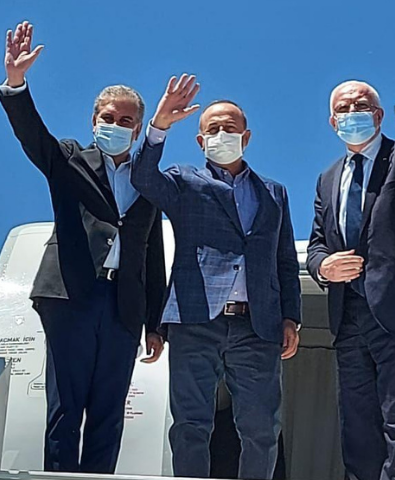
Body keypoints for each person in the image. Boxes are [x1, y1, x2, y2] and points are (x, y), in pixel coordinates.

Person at [0, 21, 166, 474]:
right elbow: (33, 136)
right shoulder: (70, 158)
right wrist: (16, 84)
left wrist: (155, 323)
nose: (115, 125)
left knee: (110, 413)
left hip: (123, 307)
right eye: (108, 118)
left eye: (126, 120)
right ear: (95, 122)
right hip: (71, 296)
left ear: (138, 128)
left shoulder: (150, 183)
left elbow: (152, 255)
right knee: (66, 407)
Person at [130, 74, 301, 480]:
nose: (222, 134)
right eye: (213, 129)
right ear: (199, 140)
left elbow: (284, 260)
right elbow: (143, 179)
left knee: (262, 427)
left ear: (247, 135)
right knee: (191, 423)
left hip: (257, 324)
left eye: (230, 127)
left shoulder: (273, 192)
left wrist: (291, 316)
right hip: (196, 318)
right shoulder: (185, 181)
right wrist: (159, 125)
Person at [306, 80, 395, 480]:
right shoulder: (327, 178)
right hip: (347, 317)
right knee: (357, 424)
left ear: (379, 115)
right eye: (344, 108)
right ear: (333, 121)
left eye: (361, 105)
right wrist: (323, 268)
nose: (353, 112)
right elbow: (317, 243)